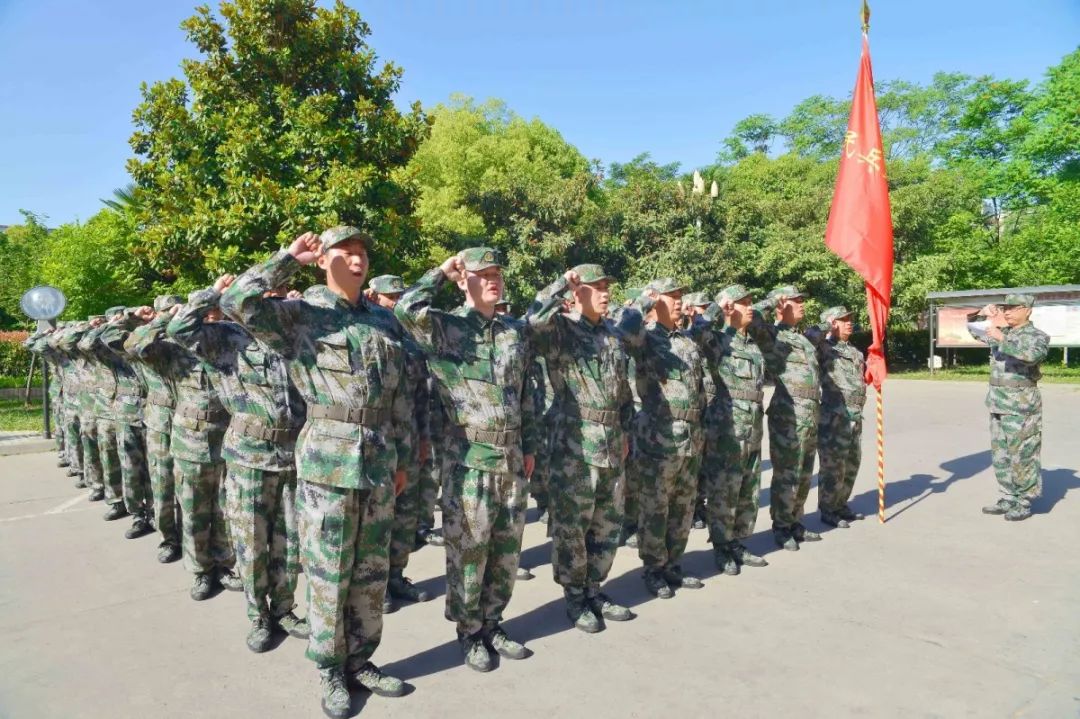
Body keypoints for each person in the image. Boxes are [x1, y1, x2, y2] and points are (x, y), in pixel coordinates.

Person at [221, 227, 412, 719]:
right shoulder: (301, 315)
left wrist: (404, 460)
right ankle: (329, 669)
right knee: (329, 572)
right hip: (328, 464)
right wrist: (286, 258)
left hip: (379, 461)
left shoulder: (383, 322)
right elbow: (239, 303)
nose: (357, 260)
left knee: (371, 572)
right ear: (324, 259)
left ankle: (361, 660)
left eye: (363, 252)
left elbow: (400, 399)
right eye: (346, 252)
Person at [395, 247, 537, 673]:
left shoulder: (514, 332)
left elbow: (523, 395)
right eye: (482, 274)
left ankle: (493, 622)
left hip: (511, 459)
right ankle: (469, 631)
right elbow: (406, 308)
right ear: (464, 280)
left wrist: (528, 446)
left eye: (497, 273)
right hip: (469, 461)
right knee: (469, 552)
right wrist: (442, 270)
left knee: (506, 551)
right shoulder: (445, 329)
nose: (493, 280)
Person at [168, 276, 309, 652]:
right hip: (248, 457)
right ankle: (257, 615)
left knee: (290, 544)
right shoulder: (224, 339)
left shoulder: (294, 338)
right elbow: (179, 327)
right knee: (250, 543)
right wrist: (210, 293)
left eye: (279, 296)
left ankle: (283, 608)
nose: (274, 302)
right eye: (266, 295)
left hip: (294, 455)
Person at [528, 264, 635, 632]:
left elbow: (622, 391)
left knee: (607, 524)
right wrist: (561, 283)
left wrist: (626, 433)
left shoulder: (612, 334)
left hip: (610, 440)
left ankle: (594, 588)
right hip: (574, 444)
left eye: (607, 286)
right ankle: (574, 596)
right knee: (573, 526)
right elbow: (534, 319)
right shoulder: (562, 331)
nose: (605, 293)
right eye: (596, 287)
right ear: (578, 293)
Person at [616, 278, 707, 598]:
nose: (680, 301)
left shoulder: (686, 340)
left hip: (691, 437)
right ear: (657, 302)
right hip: (658, 437)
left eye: (681, 295)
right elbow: (623, 333)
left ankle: (673, 564)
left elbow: (699, 387)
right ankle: (654, 568)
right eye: (672, 296)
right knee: (656, 507)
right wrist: (643, 301)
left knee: (683, 506)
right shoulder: (646, 338)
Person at [365, 273, 434, 613]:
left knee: (406, 517)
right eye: (390, 296)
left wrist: (422, 439)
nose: (395, 301)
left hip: (408, 441)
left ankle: (396, 576)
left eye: (399, 295)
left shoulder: (410, 341)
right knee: (379, 521)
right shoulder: (368, 335)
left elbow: (421, 396)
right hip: (375, 443)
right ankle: (376, 587)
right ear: (374, 297)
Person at [747, 285, 823, 551]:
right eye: (795, 301)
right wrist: (770, 299)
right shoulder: (771, 335)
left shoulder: (802, 338)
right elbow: (752, 318)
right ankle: (781, 525)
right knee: (787, 472)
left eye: (802, 300)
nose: (802, 304)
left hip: (811, 411)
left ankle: (795, 521)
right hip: (788, 414)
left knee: (804, 472)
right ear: (781, 305)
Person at [966, 294, 1049, 522]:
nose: (1008, 312)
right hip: (997, 402)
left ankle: (1023, 500)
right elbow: (973, 331)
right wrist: (980, 314)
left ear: (1028, 310)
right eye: (1005, 308)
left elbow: (1031, 355)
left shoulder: (1036, 336)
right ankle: (1008, 495)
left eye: (1013, 308)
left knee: (1023, 453)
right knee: (1001, 455)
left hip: (1022, 406)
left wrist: (1001, 336)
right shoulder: (1001, 333)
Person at [706, 285, 768, 575]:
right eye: (743, 303)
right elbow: (698, 332)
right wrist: (717, 309)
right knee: (725, 490)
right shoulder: (719, 342)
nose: (750, 307)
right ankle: (721, 547)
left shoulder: (752, 345)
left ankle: (740, 542)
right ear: (730, 308)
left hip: (754, 426)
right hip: (728, 430)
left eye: (750, 301)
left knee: (749, 489)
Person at [124, 296, 185, 562]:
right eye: (164, 312)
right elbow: (119, 339)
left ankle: (197, 544)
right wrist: (149, 318)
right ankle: (169, 538)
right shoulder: (145, 341)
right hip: (160, 422)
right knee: (162, 482)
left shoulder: (188, 340)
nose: (171, 315)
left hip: (195, 424)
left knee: (194, 488)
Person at [97, 308, 155, 540]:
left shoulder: (154, 342)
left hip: (156, 417)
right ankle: (138, 513)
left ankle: (157, 515)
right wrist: (126, 318)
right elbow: (98, 339)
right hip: (128, 415)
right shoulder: (120, 346)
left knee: (158, 473)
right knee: (131, 468)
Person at [807, 306, 867, 529]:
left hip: (855, 415)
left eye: (850, 319)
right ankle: (828, 509)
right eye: (843, 320)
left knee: (852, 463)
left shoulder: (854, 351)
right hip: (834, 417)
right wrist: (826, 326)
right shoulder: (822, 348)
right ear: (833, 323)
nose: (849, 323)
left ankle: (841, 503)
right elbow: (809, 337)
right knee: (833, 466)